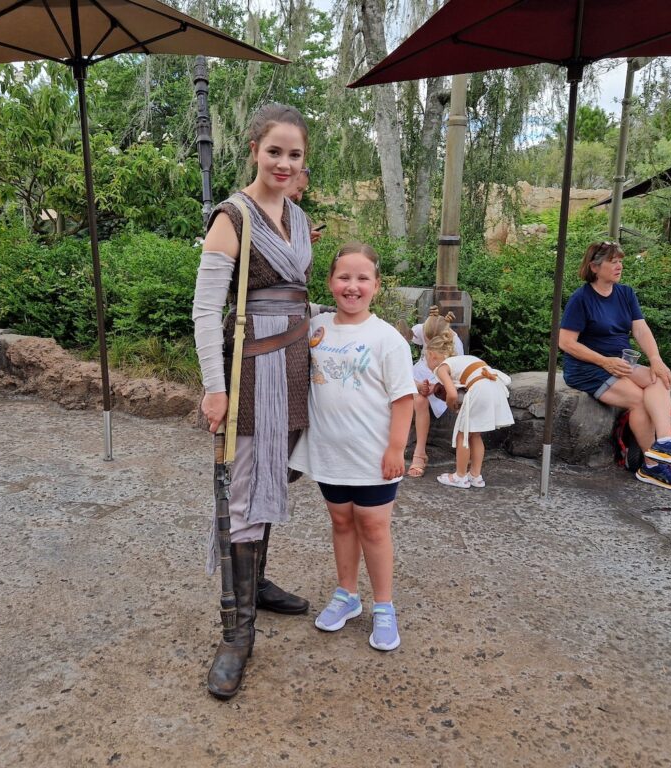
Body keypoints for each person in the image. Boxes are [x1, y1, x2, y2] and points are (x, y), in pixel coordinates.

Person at [193, 103, 313, 699]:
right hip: (248, 375)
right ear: (254, 150)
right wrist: (215, 386)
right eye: (275, 152)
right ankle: (236, 634)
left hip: (294, 370)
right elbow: (205, 311)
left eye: (294, 154)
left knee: (276, 479)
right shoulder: (231, 217)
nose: (284, 163)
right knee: (243, 493)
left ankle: (256, 582)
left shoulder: (297, 215)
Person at [289, 243, 415, 651]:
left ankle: (383, 606)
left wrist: (397, 448)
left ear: (376, 286)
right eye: (344, 277)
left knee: (374, 529)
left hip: (373, 455)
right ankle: (347, 595)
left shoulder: (387, 339)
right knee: (341, 522)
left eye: (363, 278)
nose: (352, 286)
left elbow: (403, 399)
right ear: (330, 282)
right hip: (329, 452)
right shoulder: (315, 328)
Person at [559, 241, 671, 491]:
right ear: (594, 266)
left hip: (621, 363)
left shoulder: (625, 293)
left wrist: (656, 360)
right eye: (612, 261)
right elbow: (566, 342)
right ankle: (652, 467)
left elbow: (640, 329)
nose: (619, 266)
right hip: (588, 367)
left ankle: (666, 442)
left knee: (659, 379)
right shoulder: (581, 299)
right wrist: (604, 361)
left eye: (620, 260)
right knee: (639, 399)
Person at [421, 311, 514, 489]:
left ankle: (460, 476)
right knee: (475, 434)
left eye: (426, 359)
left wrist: (452, 406)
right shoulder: (459, 359)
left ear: (432, 354)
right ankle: (476, 476)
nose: (427, 363)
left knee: (462, 435)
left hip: (480, 388)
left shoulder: (441, 367)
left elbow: (453, 394)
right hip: (493, 386)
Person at [404, 306, 464, 477]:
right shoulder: (424, 328)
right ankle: (418, 453)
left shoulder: (455, 343)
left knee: (422, 400)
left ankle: (419, 454)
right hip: (418, 375)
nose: (427, 342)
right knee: (418, 399)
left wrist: (435, 387)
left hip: (441, 380)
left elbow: (455, 372)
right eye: (426, 338)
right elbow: (406, 338)